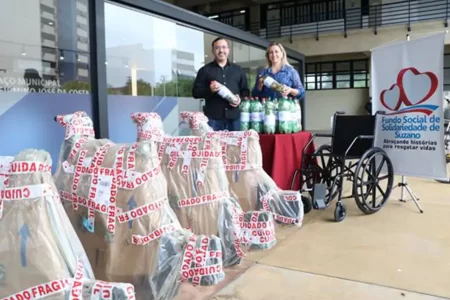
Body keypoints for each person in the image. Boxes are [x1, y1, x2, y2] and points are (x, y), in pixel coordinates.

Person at [192, 37, 249, 131]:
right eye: (217, 47)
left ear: (228, 50)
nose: (221, 50)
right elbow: (195, 92)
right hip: (213, 119)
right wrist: (209, 90)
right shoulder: (205, 70)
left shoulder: (238, 70)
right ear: (213, 51)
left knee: (235, 146)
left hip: (234, 118)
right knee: (213, 145)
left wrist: (240, 100)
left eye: (224, 47)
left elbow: (245, 91)